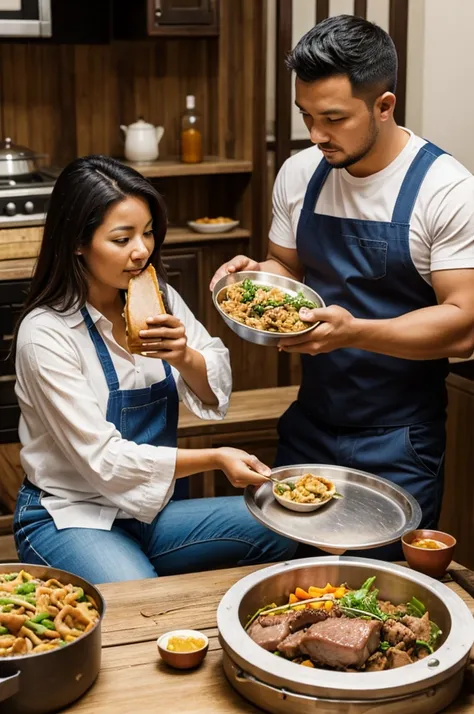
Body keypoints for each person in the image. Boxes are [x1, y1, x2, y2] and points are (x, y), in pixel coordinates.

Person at [210, 15, 474, 558]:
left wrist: (353, 332)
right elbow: (286, 267)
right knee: (295, 585)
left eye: (333, 118)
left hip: (399, 439)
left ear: (385, 105)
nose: (316, 134)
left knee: (381, 600)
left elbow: (463, 325)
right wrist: (253, 284)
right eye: (306, 116)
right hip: (311, 422)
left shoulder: (446, 190)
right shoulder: (301, 172)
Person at [12, 155, 297, 584]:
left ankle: (131, 564)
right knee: (142, 594)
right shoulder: (45, 334)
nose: (142, 251)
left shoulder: (157, 296)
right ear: (77, 242)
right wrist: (216, 458)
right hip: (71, 513)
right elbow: (103, 461)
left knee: (280, 527)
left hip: (151, 511)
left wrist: (185, 357)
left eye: (147, 233)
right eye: (122, 238)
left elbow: (214, 382)